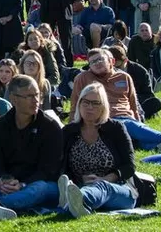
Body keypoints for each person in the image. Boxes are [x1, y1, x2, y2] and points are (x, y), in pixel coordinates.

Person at [0, 75, 63, 221]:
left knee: (38, 189)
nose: (35, 100)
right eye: (29, 96)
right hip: (12, 184)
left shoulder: (50, 127)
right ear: (14, 99)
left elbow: (50, 169)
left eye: (37, 95)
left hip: (41, 182)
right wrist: (2, 181)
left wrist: (22, 184)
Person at [70, 48, 161, 152]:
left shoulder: (124, 77)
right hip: (104, 120)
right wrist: (73, 128)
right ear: (89, 66)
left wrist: (138, 119)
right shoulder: (83, 78)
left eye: (100, 59)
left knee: (134, 137)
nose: (97, 63)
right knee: (126, 126)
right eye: (93, 62)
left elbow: (133, 103)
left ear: (111, 61)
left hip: (127, 116)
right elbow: (75, 104)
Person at [58, 82, 137, 218]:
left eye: (95, 103)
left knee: (102, 187)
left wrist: (106, 178)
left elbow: (129, 166)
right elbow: (59, 165)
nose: (89, 107)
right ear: (79, 104)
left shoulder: (116, 129)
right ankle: (75, 201)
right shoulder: (68, 132)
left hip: (117, 188)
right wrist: (78, 179)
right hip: (77, 185)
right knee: (44, 189)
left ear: (103, 107)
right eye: (86, 102)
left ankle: (76, 200)